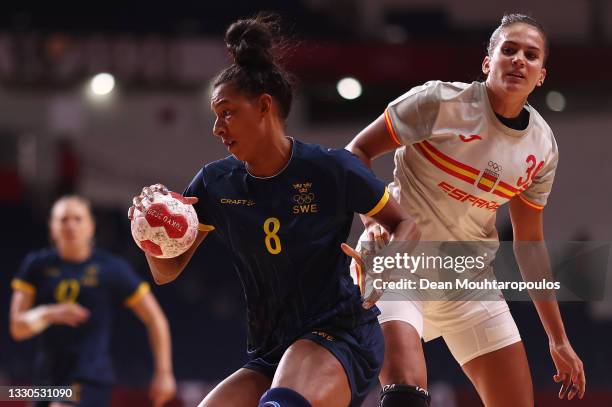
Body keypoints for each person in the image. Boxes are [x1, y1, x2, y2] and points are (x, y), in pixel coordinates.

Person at [128, 14, 419, 407]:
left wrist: (385, 267)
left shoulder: (331, 169)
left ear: (264, 106)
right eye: (216, 115)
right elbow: (167, 273)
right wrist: (153, 234)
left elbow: (406, 224)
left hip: (340, 334)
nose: (217, 127)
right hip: (273, 348)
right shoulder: (215, 183)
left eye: (227, 112)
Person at [345, 13, 585, 407]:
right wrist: (373, 219)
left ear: (541, 74)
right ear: (488, 62)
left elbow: (529, 245)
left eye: (531, 54)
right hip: (398, 264)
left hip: (467, 277)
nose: (519, 60)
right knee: (405, 394)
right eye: (508, 50)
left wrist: (558, 339)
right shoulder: (438, 101)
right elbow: (356, 153)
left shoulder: (542, 147)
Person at [10, 195, 176, 407]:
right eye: (63, 219)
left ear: (91, 226)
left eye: (78, 219)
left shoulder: (111, 268)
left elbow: (155, 319)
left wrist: (164, 372)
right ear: (52, 227)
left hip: (90, 377)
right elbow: (17, 328)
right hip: (46, 379)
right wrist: (49, 313)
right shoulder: (36, 265)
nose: (70, 225)